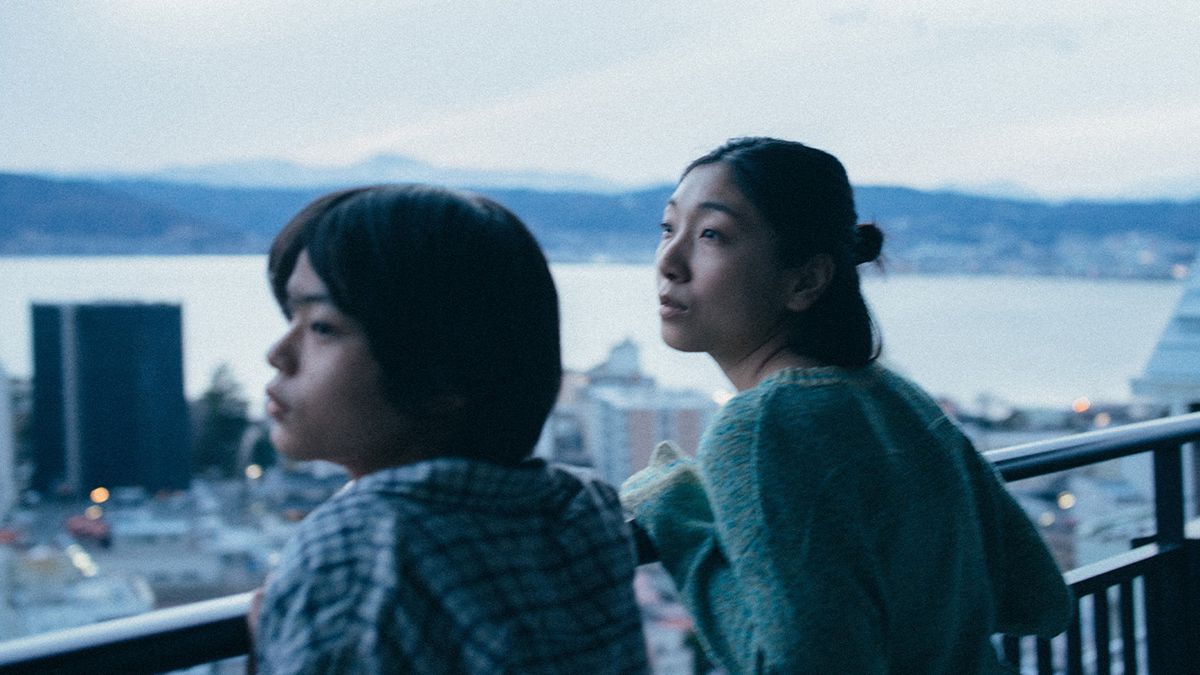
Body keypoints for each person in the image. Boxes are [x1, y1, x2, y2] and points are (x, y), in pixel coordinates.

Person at [620, 138, 1072, 674]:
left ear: (806, 279)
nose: (669, 262)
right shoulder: (894, 398)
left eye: (712, 234)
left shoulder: (763, 426)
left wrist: (676, 509)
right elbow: (1038, 598)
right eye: (668, 229)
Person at [251, 185, 648, 674]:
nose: (278, 353)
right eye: (293, 315)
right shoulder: (582, 510)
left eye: (323, 327)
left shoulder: (357, 553)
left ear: (443, 371)